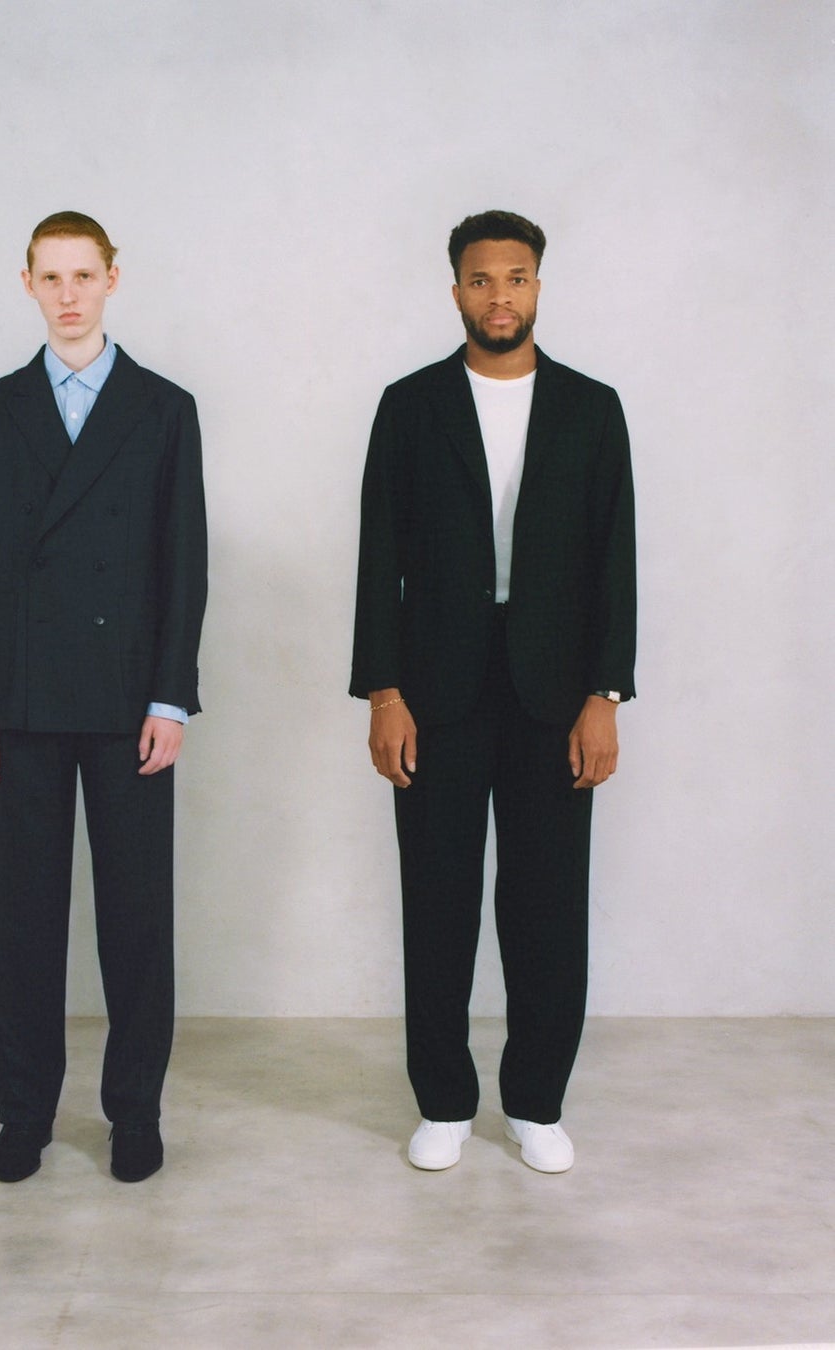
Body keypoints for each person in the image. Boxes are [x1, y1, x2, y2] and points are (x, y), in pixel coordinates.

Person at [350, 210, 635, 1174]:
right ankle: (442, 1102)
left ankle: (536, 1102)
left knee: (547, 905)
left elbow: (616, 559)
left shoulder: (592, 408)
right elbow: (378, 557)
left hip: (556, 695)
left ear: (538, 286)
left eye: (516, 278)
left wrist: (605, 695)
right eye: (481, 280)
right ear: (456, 291)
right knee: (437, 899)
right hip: (436, 692)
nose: (499, 295)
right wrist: (384, 693)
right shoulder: (410, 405)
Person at [0, 211, 207, 1184]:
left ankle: (134, 1113)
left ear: (112, 280)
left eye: (83, 275)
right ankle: (24, 1115)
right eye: (50, 277)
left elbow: (184, 564)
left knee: (136, 923)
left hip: (129, 701)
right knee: (24, 922)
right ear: (27, 284)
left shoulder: (163, 408)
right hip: (19, 701)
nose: (68, 294)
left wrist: (170, 700)